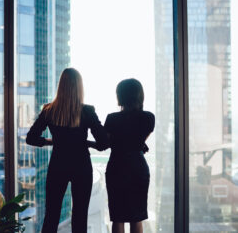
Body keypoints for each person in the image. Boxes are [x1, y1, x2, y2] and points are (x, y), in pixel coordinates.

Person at [26, 68, 109, 233]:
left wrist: (52, 141)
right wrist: (87, 143)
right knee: (80, 217)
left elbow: (31, 138)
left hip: (58, 165)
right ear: (80, 87)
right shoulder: (87, 111)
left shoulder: (49, 110)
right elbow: (103, 143)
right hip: (81, 166)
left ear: (61, 86)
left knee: (51, 216)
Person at [104, 78, 155, 233]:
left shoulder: (112, 118)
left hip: (117, 167)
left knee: (117, 217)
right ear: (140, 95)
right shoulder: (148, 118)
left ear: (120, 96)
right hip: (137, 168)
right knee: (136, 217)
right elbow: (138, 140)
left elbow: (106, 143)